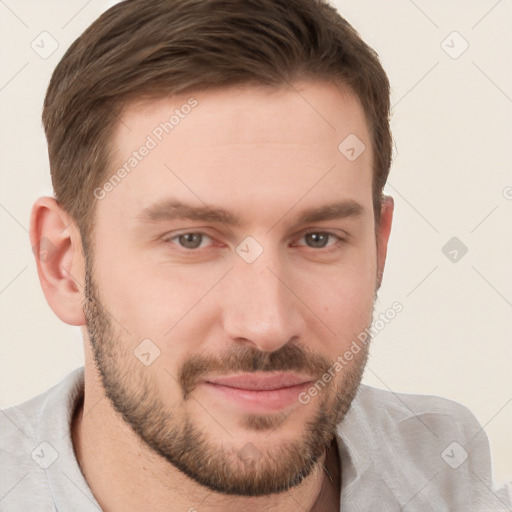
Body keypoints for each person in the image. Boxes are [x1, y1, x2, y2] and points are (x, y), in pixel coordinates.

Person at [0, 0, 510, 510]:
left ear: (379, 247)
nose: (268, 325)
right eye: (192, 240)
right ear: (63, 264)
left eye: (318, 238)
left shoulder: (450, 474)